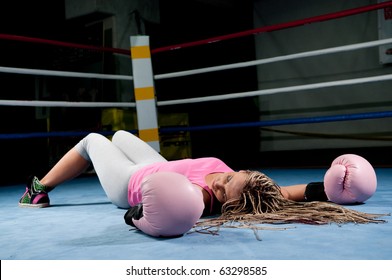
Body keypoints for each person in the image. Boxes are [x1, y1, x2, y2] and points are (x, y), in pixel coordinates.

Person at [19, 130, 385, 226]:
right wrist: (339, 189)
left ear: (222, 201)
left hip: (129, 182)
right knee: (121, 138)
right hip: (158, 163)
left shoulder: (196, 196)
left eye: (224, 185)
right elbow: (293, 193)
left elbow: (171, 211)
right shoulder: (253, 187)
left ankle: (38, 189)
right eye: (236, 174)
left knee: (94, 141)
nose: (225, 176)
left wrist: (137, 215)